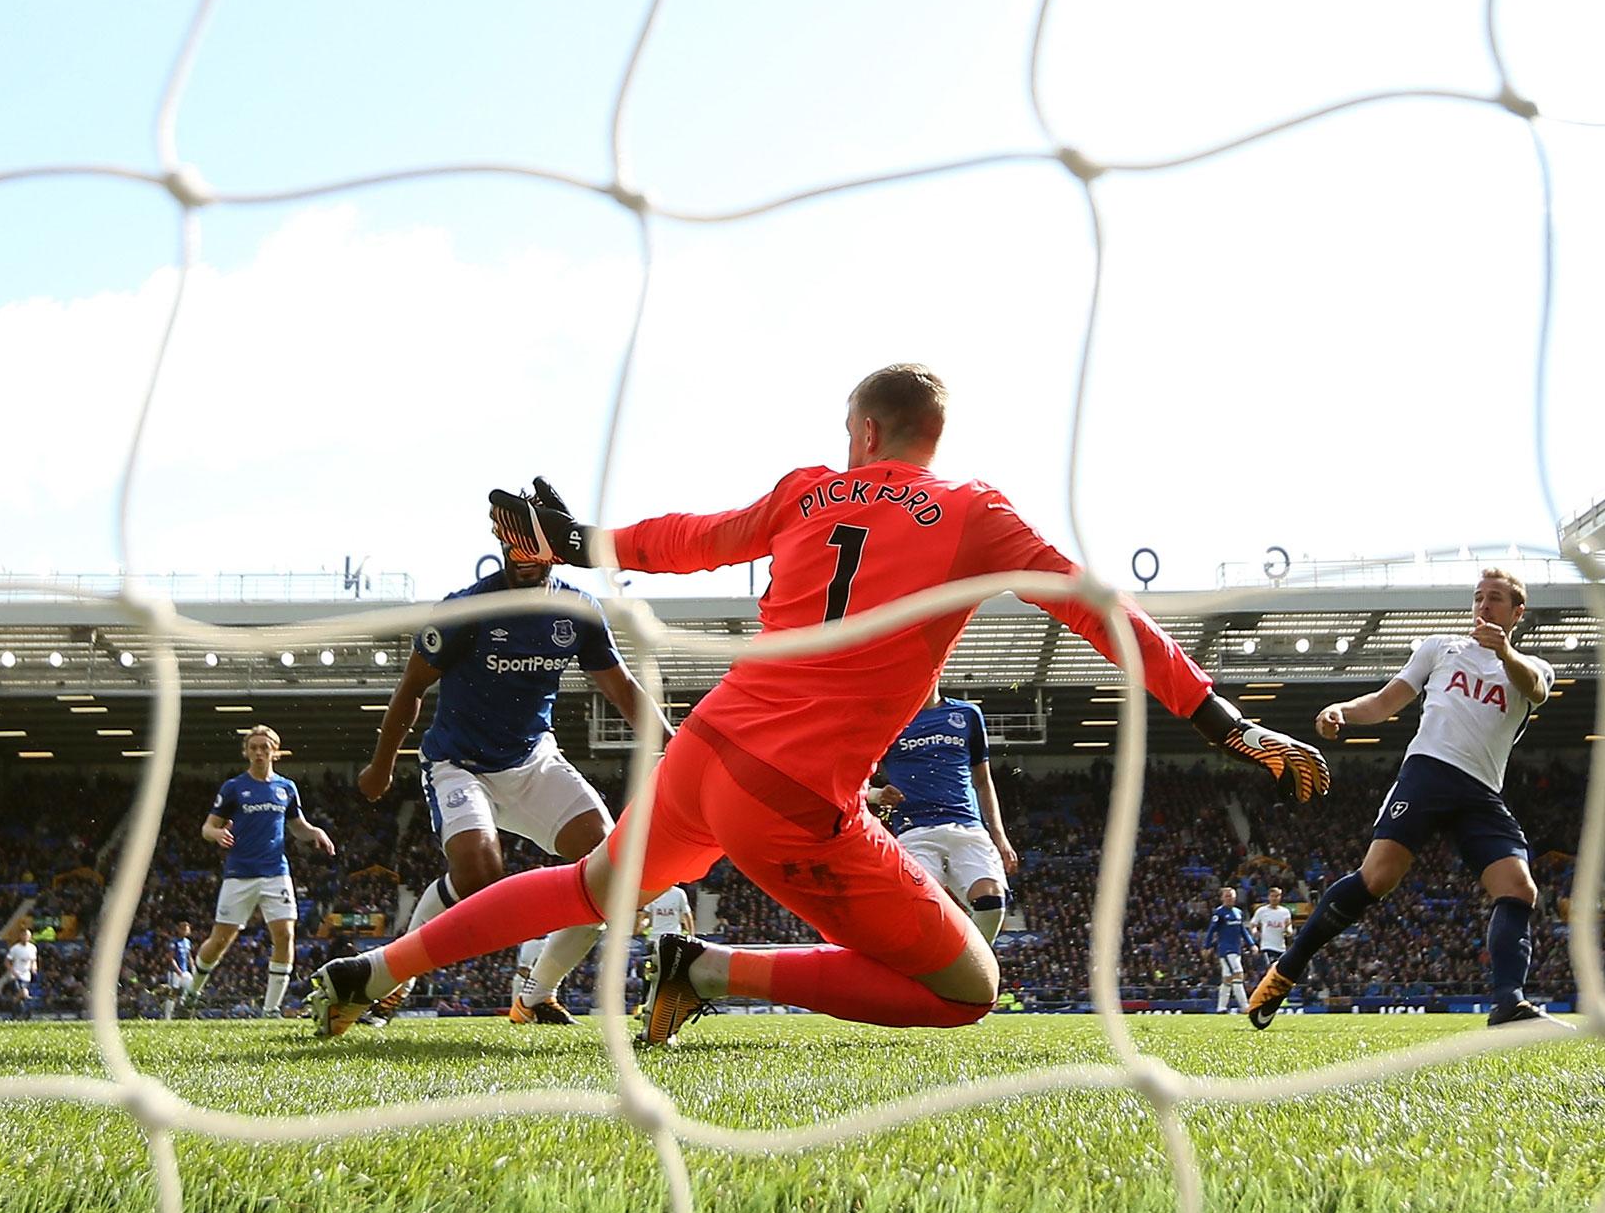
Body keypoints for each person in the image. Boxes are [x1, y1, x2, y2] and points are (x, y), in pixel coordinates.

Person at [311, 364, 1330, 1040]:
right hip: (790, 795)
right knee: (966, 992)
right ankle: (708, 971)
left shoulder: (809, 490)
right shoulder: (973, 511)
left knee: (587, 886)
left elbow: (690, 538)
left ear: (869, 427)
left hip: (705, 750)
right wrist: (1218, 717)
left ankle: (379, 966)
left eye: (848, 428)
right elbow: (1094, 608)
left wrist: (586, 545)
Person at [355, 503, 667, 1027]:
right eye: (514, 543)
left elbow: (623, 689)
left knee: (613, 872)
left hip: (532, 759)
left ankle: (536, 995)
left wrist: (673, 743)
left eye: (535, 545)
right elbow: (411, 687)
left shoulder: (578, 611)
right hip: (460, 762)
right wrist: (381, 764)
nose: (524, 556)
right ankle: (389, 984)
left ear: (555, 549)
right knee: (479, 873)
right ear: (501, 542)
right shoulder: (466, 610)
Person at [1248, 569, 1559, 1029]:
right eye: (1478, 597)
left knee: (1519, 888)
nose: (1483, 606)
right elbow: (1384, 701)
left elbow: (1535, 689)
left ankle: (1508, 1004)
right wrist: (1342, 711)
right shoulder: (1440, 647)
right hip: (1428, 774)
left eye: (1495, 599)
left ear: (1517, 612)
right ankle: (1287, 968)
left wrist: (1505, 651)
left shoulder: (1529, 667)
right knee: (1377, 878)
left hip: (1480, 792)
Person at [182, 726, 334, 1017]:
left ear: (275, 751)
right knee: (220, 941)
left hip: (276, 872)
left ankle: (271, 1009)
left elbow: (297, 826)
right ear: (246, 752)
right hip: (239, 874)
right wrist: (216, 835)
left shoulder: (286, 788)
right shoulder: (233, 788)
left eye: (265, 747)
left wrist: (315, 831)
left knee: (285, 935)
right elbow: (207, 827)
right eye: (254, 747)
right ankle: (192, 994)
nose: (259, 752)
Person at [863, 688, 1017, 944]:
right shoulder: (888, 721)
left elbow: (983, 781)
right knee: (922, 910)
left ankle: (968, 971)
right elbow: (851, 781)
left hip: (968, 828)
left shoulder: (967, 714)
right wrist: (878, 795)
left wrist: (1000, 838)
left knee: (991, 903)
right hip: (916, 832)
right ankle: (942, 974)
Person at [1201, 886, 1254, 1014]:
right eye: (1227, 896)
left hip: (1236, 949)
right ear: (1222, 898)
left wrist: (1251, 944)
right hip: (1226, 950)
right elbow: (1211, 930)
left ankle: (1221, 1007)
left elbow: (1242, 930)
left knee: (1227, 978)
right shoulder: (1219, 913)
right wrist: (1206, 946)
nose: (1230, 898)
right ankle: (1245, 1006)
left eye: (1232, 895)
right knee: (1238, 974)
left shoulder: (1238, 912)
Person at [1249, 886, 1292, 970]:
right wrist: (1255, 932)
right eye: (1272, 896)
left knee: (1280, 971)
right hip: (1267, 946)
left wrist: (1289, 931)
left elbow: (1288, 926)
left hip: (1281, 947)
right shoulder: (1262, 911)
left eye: (1277, 896)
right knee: (1271, 968)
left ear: (1280, 897)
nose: (1274, 898)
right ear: (1268, 897)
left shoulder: (1285, 912)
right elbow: (1253, 924)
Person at [4, 927, 38, 1018]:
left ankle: (15, 1011)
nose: (26, 937)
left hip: (26, 975)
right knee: (24, 993)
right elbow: (7, 961)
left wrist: (34, 967)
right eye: (24, 935)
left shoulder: (33, 948)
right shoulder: (15, 948)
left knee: (21, 996)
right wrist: (13, 971)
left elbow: (33, 960)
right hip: (16, 976)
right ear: (20, 936)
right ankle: (23, 1013)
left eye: (28, 935)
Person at [166, 920, 196, 1013]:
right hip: (174, 972)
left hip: (185, 971)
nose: (186, 931)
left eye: (187, 929)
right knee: (173, 992)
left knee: (193, 988)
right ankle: (168, 1015)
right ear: (179, 930)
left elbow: (189, 956)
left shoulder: (187, 942)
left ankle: (183, 1004)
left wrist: (193, 968)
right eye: (184, 929)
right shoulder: (174, 941)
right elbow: (170, 958)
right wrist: (178, 970)